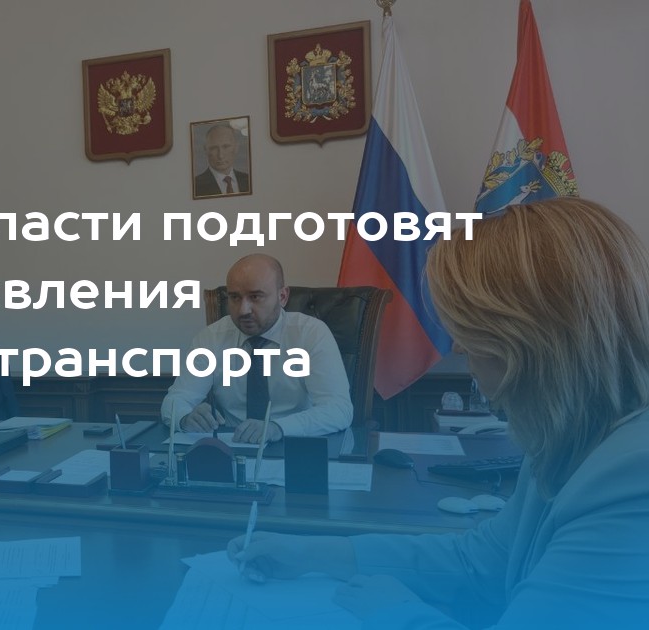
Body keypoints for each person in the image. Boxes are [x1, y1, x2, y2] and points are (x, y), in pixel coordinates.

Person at [227, 199, 649, 627]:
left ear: (533, 336)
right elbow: (479, 560)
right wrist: (309, 553)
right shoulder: (565, 442)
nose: (459, 347)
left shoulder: (633, 477)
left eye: (469, 330)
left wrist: (399, 615)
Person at [161, 254, 352, 443]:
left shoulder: (310, 333)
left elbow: (338, 409)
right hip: (234, 445)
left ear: (282, 296)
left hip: (294, 443)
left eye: (255, 297)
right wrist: (185, 417)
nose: (243, 310)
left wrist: (277, 428)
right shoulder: (212, 337)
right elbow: (176, 400)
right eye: (235, 297)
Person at [193, 124, 250, 197]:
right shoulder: (195, 185)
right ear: (205, 150)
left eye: (226, 147)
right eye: (214, 148)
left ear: (236, 147)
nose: (220, 155)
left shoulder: (249, 180)